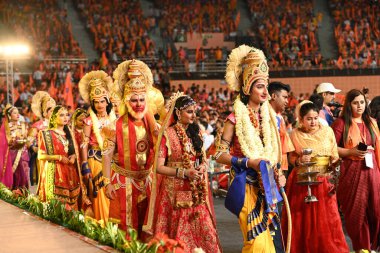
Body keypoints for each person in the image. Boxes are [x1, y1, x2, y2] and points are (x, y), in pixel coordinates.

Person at [215, 45, 285, 252]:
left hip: (269, 185)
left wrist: (279, 174)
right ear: (247, 87)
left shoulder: (271, 119)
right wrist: (247, 162)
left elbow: (275, 153)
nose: (266, 92)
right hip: (245, 183)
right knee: (257, 241)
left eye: (266, 86)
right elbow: (219, 154)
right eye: (260, 87)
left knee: (268, 243)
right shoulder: (234, 118)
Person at [144, 93, 221, 252]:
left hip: (195, 190)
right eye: (189, 112)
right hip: (175, 192)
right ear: (178, 113)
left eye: (194, 111)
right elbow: (158, 167)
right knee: (178, 235)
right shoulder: (167, 134)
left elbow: (200, 158)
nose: (194, 115)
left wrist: (201, 166)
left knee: (206, 230)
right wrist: (184, 172)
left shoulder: (196, 133)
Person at [281, 101, 349, 253]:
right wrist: (298, 161)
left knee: (327, 218)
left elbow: (334, 154)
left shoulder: (328, 132)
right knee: (302, 218)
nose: (313, 122)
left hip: (324, 180)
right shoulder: (294, 134)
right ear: (301, 119)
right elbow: (291, 158)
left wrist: (335, 165)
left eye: (316, 118)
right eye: (309, 118)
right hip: (302, 181)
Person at [102, 59, 159, 237]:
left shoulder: (153, 125)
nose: (139, 104)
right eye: (134, 100)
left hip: (147, 181)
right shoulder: (113, 126)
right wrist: (106, 182)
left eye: (142, 99)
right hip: (123, 182)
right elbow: (106, 156)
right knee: (126, 230)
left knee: (148, 228)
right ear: (126, 102)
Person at [331, 89, 380, 252]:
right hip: (352, 173)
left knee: (375, 212)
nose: (359, 106)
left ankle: (372, 247)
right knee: (357, 215)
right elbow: (331, 147)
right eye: (355, 102)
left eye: (361, 102)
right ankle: (362, 248)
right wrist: (350, 152)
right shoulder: (341, 123)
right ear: (348, 105)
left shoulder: (371, 122)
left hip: (372, 173)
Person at [79, 70, 116, 221]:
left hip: (113, 162)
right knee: (100, 192)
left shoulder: (115, 119)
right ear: (92, 103)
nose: (100, 105)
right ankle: (102, 223)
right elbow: (84, 144)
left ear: (107, 101)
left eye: (102, 101)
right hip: (96, 160)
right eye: (96, 102)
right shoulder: (88, 121)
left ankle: (113, 224)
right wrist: (84, 164)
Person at [37, 105, 86, 210]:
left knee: (72, 208)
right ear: (54, 117)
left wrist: (73, 157)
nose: (65, 118)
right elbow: (40, 156)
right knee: (57, 208)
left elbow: (74, 152)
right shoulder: (47, 134)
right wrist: (58, 157)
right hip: (55, 172)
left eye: (67, 115)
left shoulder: (70, 134)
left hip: (70, 173)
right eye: (62, 115)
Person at [268, 81, 294, 253]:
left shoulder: (278, 117)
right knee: (272, 218)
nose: (287, 101)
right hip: (270, 174)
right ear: (273, 96)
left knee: (278, 216)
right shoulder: (267, 117)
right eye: (284, 97)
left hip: (280, 174)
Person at [28, 91, 56, 186]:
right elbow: (29, 141)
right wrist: (34, 148)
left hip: (57, 158)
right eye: (51, 110)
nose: (54, 113)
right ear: (44, 112)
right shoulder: (37, 126)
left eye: (55, 110)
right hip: (42, 159)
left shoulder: (60, 125)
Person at [0, 105, 30, 189]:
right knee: (15, 174)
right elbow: (6, 142)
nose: (18, 115)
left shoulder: (23, 125)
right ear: (9, 115)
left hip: (23, 154)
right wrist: (15, 140)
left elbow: (26, 139)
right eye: (15, 113)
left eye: (18, 113)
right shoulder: (6, 127)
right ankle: (13, 194)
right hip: (12, 154)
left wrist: (26, 140)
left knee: (24, 175)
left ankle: (23, 195)